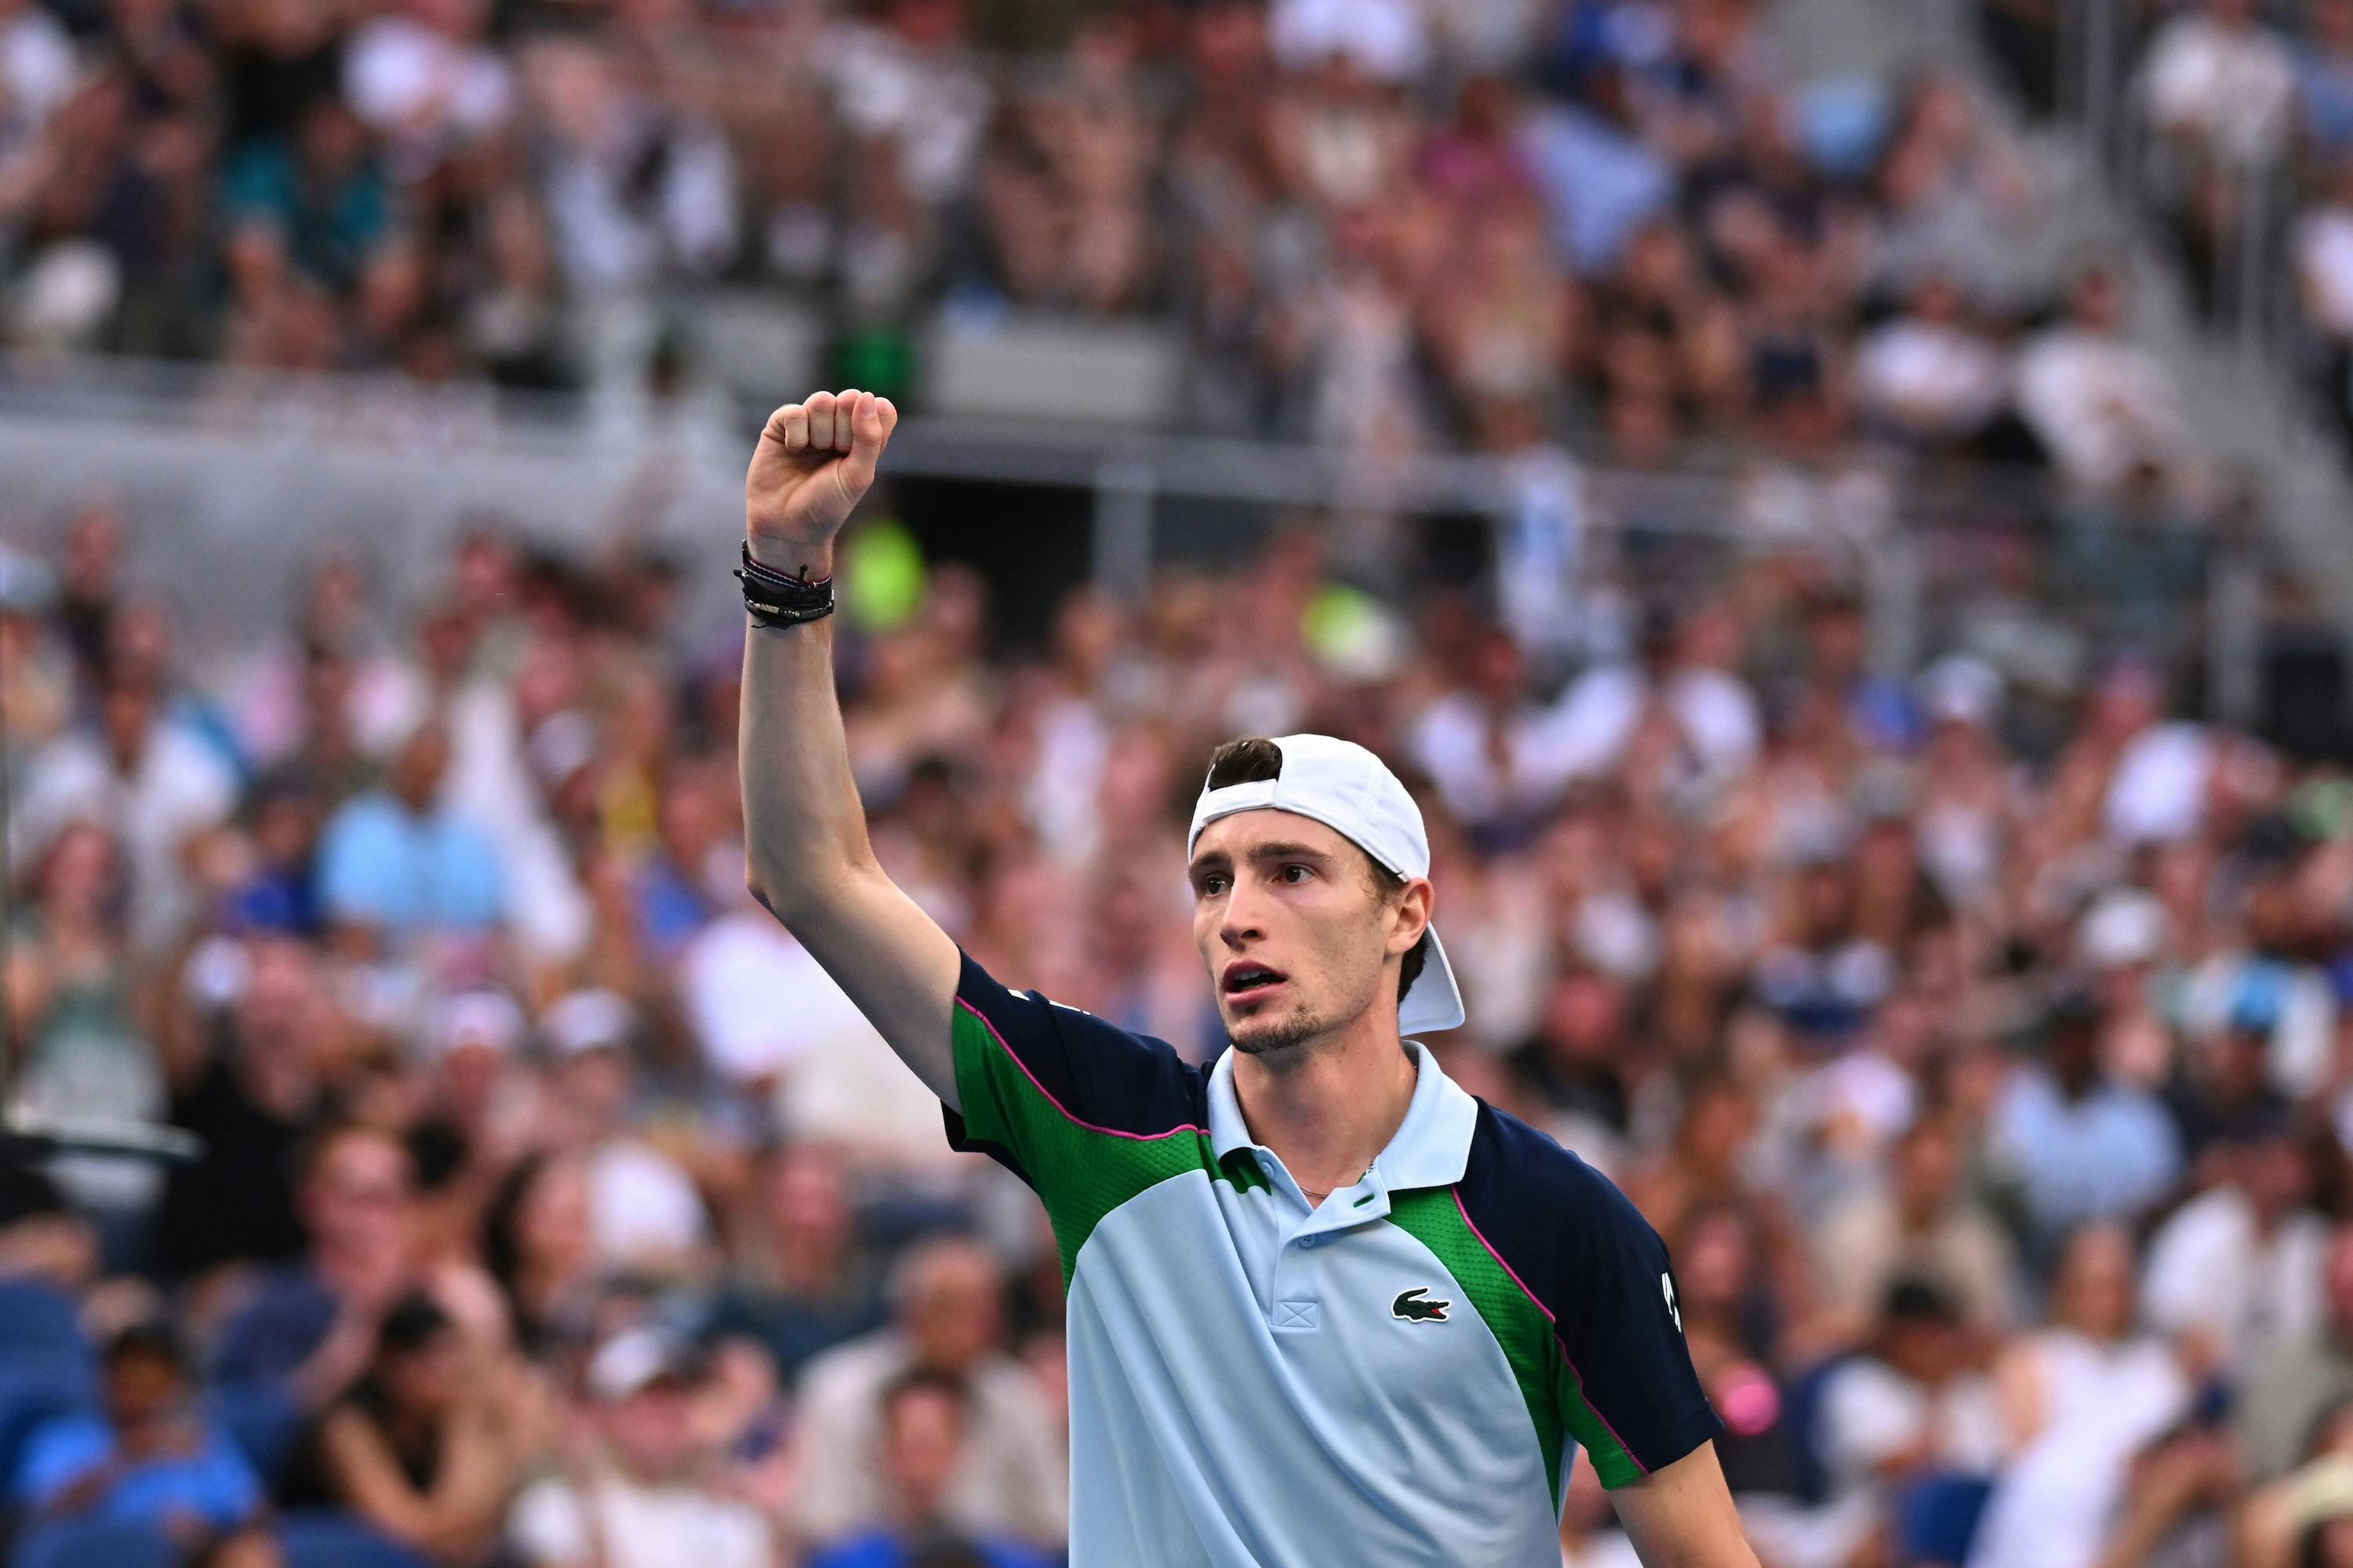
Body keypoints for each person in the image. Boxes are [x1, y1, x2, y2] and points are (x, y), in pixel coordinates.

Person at [732, 387, 1751, 1564]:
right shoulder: (1101, 1124)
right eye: (1212, 879)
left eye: (1292, 871)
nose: (1237, 915)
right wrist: (787, 572)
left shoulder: (1564, 1222)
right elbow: (811, 872)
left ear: (1404, 913)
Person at [793, 1238, 1064, 1549]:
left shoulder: (1020, 1397)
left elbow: (1055, 1524)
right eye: (950, 1308)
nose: (970, 1328)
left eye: (982, 1311)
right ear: (910, 1311)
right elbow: (818, 1523)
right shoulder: (837, 1390)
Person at [275, 1292, 518, 1566]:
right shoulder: (345, 1427)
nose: (450, 1374)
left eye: (452, 1358)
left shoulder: (448, 1419)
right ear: (392, 1365)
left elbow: (478, 1534)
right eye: (432, 1360)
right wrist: (463, 1437)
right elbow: (407, 1531)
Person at [506, 1327, 773, 1568]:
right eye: (645, 1399)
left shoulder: (731, 1521)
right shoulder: (555, 1508)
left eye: (676, 1397)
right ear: (604, 1411)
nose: (663, 1414)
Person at [13, 1320, 275, 1565]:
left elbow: (255, 1514)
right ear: (105, 1377)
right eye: (129, 1374)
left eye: (154, 1375)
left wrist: (207, 1536)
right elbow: (39, 1519)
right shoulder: (62, 1437)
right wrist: (126, 1457)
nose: (140, 1388)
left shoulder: (201, 1438)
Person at [806, 1370, 1058, 1568]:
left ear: (960, 1450)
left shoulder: (1014, 1560)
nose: (920, 1464)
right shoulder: (839, 1561)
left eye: (931, 1446)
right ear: (882, 1450)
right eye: (909, 1445)